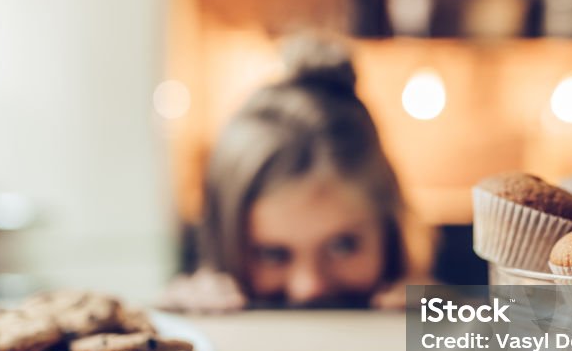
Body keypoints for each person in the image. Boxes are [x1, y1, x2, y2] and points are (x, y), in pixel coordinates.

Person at [160, 36, 431, 311]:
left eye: (343, 246)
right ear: (224, 240)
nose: (308, 288)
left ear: (389, 232)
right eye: (273, 254)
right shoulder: (187, 326)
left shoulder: (440, 326)